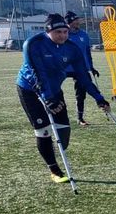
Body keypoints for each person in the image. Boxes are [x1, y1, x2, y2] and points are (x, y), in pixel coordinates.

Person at [16, 13, 110, 184]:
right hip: (31, 90)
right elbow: (39, 74)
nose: (62, 35)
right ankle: (54, 170)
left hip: (54, 89)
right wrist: (48, 100)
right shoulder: (33, 44)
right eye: (58, 32)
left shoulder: (72, 48)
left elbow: (83, 76)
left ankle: (55, 149)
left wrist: (99, 98)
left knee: (63, 131)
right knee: (43, 130)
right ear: (48, 31)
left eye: (65, 32)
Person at [63, 10, 100, 126]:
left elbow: (87, 52)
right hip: (64, 68)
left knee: (81, 93)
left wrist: (91, 67)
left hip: (80, 68)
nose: (78, 22)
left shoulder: (83, 35)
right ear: (69, 22)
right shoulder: (63, 34)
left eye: (78, 19)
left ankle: (80, 118)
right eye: (75, 20)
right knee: (53, 90)